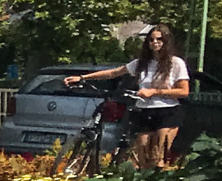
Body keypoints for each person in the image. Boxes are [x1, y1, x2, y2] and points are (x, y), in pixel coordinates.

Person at [65, 24, 192, 169]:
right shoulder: (141, 63)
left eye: (159, 39)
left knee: (158, 155)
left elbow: (184, 91)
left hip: (168, 112)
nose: (155, 43)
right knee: (143, 152)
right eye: (151, 40)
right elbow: (114, 72)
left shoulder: (176, 63)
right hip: (144, 111)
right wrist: (82, 78)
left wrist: (154, 92)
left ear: (166, 41)